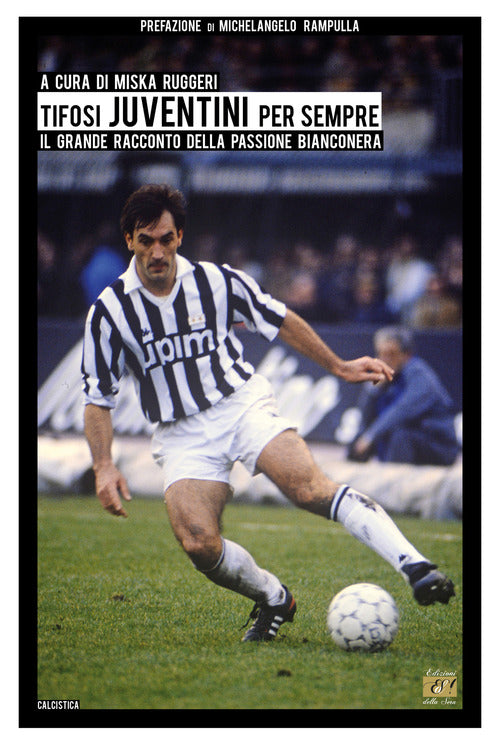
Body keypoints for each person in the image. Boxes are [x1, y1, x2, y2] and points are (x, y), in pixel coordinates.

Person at [82, 185, 455, 643]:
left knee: (309, 487)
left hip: (240, 404)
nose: (157, 252)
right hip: (181, 433)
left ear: (180, 236)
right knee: (198, 542)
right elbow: (97, 396)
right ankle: (274, 597)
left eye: (165, 239)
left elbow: (279, 320)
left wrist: (339, 366)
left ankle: (415, 566)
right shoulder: (110, 311)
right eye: (145, 241)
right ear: (129, 240)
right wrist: (103, 465)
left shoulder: (217, 281)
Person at [348, 326, 460, 466]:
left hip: (438, 445)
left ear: (406, 355)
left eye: (391, 354)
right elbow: (365, 420)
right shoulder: (388, 375)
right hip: (406, 435)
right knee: (356, 444)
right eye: (381, 354)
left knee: (398, 437)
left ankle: (393, 478)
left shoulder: (419, 374)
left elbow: (402, 411)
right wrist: (373, 390)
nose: (385, 360)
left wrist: (370, 436)